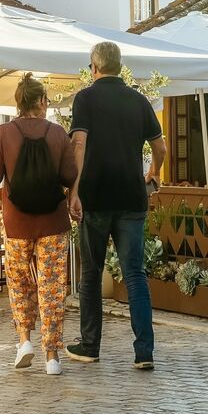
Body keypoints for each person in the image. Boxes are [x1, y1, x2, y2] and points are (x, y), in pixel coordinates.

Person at [68, 41, 164, 370]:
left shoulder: (85, 99)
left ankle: (90, 346)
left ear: (93, 68)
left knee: (91, 273)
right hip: (131, 198)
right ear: (120, 68)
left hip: (95, 198)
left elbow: (78, 144)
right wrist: (153, 173)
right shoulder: (138, 100)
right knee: (135, 274)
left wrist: (74, 190)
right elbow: (160, 147)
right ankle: (144, 351)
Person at [0, 74, 78, 374]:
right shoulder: (57, 132)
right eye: (47, 100)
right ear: (39, 101)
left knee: (20, 283)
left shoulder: (4, 132)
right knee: (52, 287)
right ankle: (52, 356)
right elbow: (69, 175)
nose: (48, 105)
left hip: (16, 224)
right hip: (53, 222)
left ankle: (24, 341)